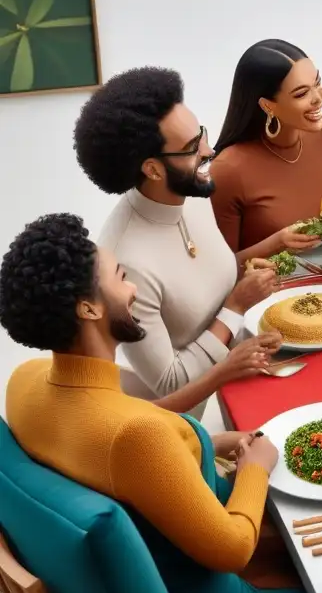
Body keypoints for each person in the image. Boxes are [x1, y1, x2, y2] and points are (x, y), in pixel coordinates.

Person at [0, 213, 322, 593]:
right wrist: (256, 468)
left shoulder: (26, 382)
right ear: (89, 308)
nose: (133, 288)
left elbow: (106, 437)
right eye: (120, 277)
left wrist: (207, 443)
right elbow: (233, 550)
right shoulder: (138, 438)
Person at [75, 66, 280, 406]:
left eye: (201, 133)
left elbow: (208, 279)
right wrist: (236, 306)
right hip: (201, 416)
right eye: (191, 147)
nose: (209, 150)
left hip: (249, 367)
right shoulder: (126, 260)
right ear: (152, 169)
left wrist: (275, 245)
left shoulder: (190, 195)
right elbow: (170, 385)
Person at [211, 39, 322, 259]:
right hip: (270, 290)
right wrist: (276, 244)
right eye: (301, 94)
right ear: (267, 105)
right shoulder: (228, 170)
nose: (318, 98)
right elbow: (217, 272)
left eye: (317, 82)